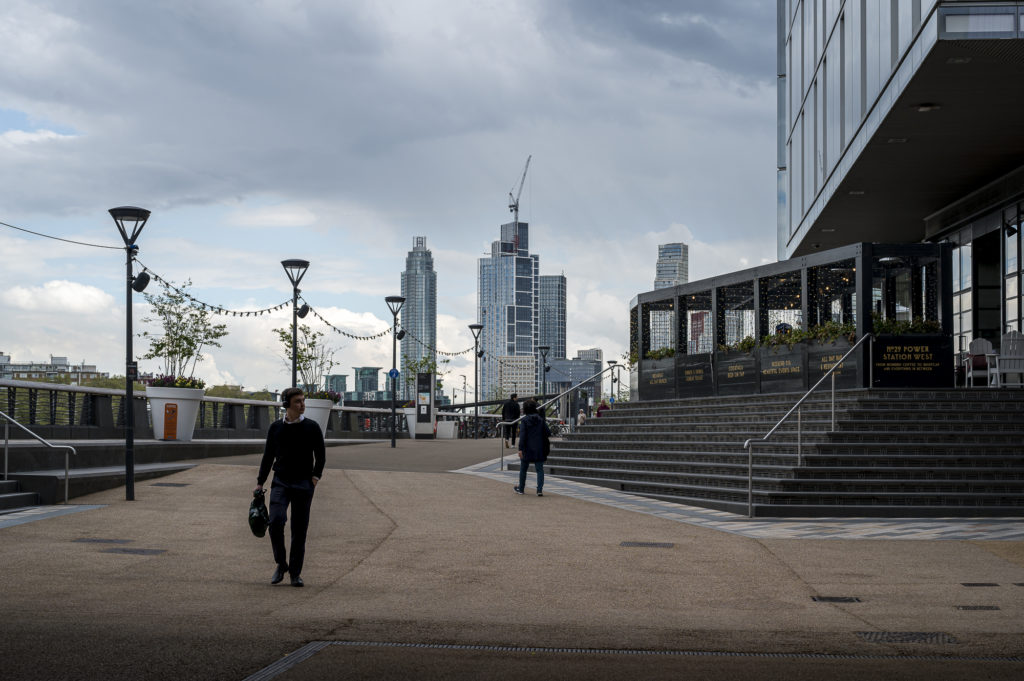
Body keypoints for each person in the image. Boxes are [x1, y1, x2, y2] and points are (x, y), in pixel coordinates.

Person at [255, 387, 325, 587]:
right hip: (281, 481)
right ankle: (281, 564)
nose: (302, 405)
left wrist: (315, 478)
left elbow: (321, 455)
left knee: (299, 530)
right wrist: (260, 482)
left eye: (303, 401)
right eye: (298, 401)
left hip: (304, 483)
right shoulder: (276, 428)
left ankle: (295, 573)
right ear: (286, 404)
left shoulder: (312, 427)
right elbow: (268, 456)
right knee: (276, 521)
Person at [514, 399, 550, 497]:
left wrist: (520, 449)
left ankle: (521, 489)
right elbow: (548, 432)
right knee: (540, 469)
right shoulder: (540, 420)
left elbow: (523, 436)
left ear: (525, 409)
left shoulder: (524, 420)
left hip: (527, 448)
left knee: (523, 469)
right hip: (539, 448)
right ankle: (539, 490)